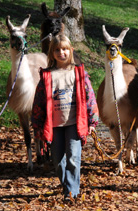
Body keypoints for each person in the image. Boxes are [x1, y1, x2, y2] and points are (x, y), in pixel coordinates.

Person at [32, 34, 99, 200]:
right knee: (58, 161)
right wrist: (37, 124)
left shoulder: (78, 73)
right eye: (57, 50)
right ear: (52, 53)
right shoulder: (47, 75)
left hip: (74, 123)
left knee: (73, 158)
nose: (61, 53)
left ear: (70, 50)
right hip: (54, 124)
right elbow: (39, 101)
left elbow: (89, 96)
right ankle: (67, 187)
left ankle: (72, 192)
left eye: (64, 49)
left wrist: (92, 120)